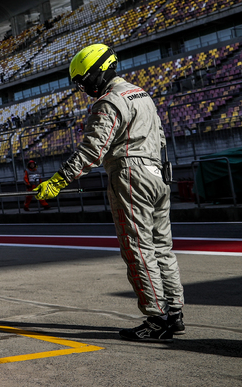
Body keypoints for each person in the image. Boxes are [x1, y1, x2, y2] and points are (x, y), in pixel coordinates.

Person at [35, 44, 184, 342]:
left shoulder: (109, 102)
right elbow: (160, 137)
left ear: (98, 72)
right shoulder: (141, 94)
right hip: (158, 174)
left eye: (83, 81)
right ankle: (175, 313)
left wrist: (59, 180)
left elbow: (93, 150)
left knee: (137, 248)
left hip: (130, 175)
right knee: (162, 247)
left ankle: (156, 319)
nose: (82, 88)